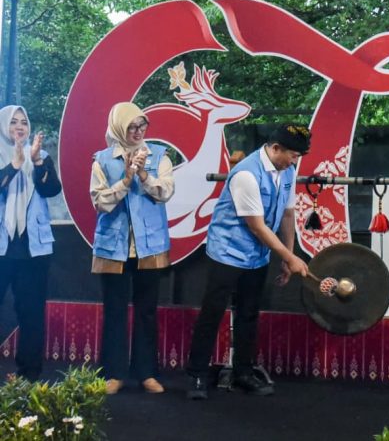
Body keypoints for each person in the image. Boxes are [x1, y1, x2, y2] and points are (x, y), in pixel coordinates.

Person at [186, 123, 311, 400]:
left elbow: (288, 215)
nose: (295, 160)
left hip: (257, 256)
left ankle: (243, 372)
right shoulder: (246, 174)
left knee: (249, 313)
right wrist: (290, 258)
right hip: (228, 253)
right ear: (275, 148)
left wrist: (287, 257)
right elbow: (257, 226)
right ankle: (196, 375)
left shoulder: (287, 171)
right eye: (292, 154)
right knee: (213, 313)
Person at [90, 102, 175, 395]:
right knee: (114, 310)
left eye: (142, 126)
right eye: (132, 127)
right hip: (113, 247)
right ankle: (114, 374)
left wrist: (142, 176)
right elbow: (100, 202)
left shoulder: (159, 156)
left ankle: (146, 373)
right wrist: (125, 180)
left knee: (147, 311)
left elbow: (166, 192)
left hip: (149, 246)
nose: (138, 132)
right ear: (118, 128)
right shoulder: (102, 160)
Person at [0, 105, 61, 381]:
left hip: (33, 249)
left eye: (24, 122)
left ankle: (29, 375)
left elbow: (51, 189)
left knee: (32, 315)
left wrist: (35, 161)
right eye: (13, 122)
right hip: (2, 248)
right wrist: (14, 164)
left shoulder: (42, 156)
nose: (20, 127)